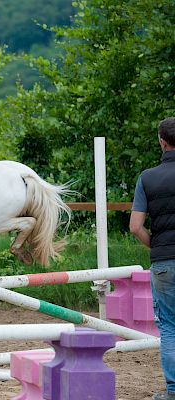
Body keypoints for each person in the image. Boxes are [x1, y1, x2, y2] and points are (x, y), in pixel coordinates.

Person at [130, 117, 175, 400]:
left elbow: (135, 226)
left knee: (169, 326)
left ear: (161, 140)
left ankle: (173, 390)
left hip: (164, 262)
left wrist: (155, 246)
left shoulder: (147, 177)